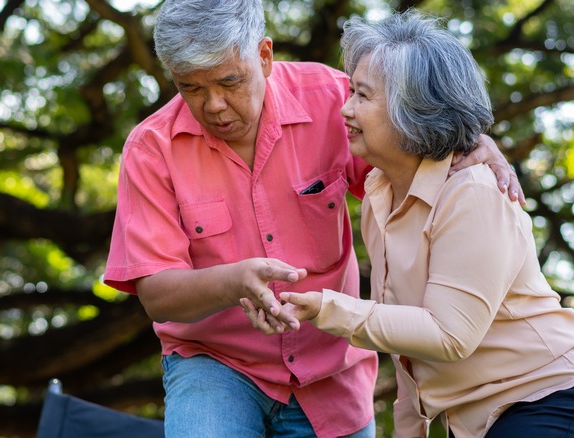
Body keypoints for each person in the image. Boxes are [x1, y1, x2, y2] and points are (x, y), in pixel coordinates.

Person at [104, 1, 523, 436]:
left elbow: (408, 166)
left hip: (332, 369)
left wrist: (468, 145)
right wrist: (233, 282)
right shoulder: (150, 148)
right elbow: (156, 293)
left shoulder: (332, 99)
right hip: (214, 364)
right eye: (189, 88)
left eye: (230, 81)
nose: (213, 105)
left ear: (264, 56)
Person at [241, 10, 574, 438]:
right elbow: (406, 344)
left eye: (363, 96)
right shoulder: (380, 193)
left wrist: (326, 307)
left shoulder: (471, 191)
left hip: (546, 398)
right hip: (480, 419)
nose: (345, 110)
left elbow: (448, 335)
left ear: (413, 110)